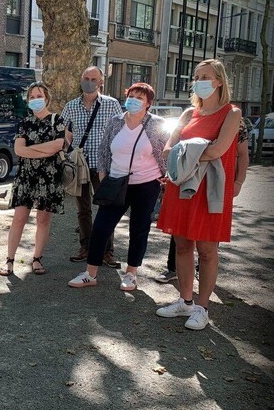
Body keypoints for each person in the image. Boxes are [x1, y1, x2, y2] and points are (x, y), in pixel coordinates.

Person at [155, 59, 242, 330]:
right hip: (182, 186)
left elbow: (219, 151)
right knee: (182, 246)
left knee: (206, 249)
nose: (198, 80)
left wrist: (186, 151)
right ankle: (185, 301)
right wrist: (192, 152)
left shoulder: (232, 113)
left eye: (205, 76)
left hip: (209, 189)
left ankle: (202, 308)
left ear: (219, 81)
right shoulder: (187, 114)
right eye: (196, 76)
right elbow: (168, 149)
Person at [67, 82, 168, 291]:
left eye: (140, 98)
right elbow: (104, 151)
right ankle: (90, 273)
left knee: (139, 229)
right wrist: (104, 177)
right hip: (116, 183)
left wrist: (164, 175)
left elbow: (166, 152)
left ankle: (131, 274)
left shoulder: (157, 124)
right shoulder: (115, 122)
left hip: (146, 185)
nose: (134, 100)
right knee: (101, 227)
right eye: (131, 96)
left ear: (148, 103)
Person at [153, 118, 249, 283]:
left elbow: (242, 154)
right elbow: (171, 149)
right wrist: (171, 175)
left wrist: (238, 182)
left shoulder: (235, 120)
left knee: (208, 234)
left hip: (214, 184)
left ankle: (201, 271)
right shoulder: (190, 115)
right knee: (181, 230)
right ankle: (172, 268)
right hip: (185, 180)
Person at [0, 82, 69, 276]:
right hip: (26, 177)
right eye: (32, 97)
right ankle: (9, 260)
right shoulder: (24, 122)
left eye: (39, 96)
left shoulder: (58, 120)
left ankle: (37, 259)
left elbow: (58, 146)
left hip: (49, 178)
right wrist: (44, 149)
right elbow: (18, 150)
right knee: (19, 218)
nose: (35, 100)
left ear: (46, 98)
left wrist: (32, 150)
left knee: (42, 219)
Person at [61, 66, 123, 267]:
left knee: (106, 209)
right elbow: (63, 133)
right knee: (83, 210)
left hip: (104, 166)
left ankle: (107, 251)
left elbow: (120, 133)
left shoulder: (112, 105)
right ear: (81, 79)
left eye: (93, 78)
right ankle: (86, 247)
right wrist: (66, 154)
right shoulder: (71, 106)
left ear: (101, 82)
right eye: (86, 78)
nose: (89, 81)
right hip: (80, 166)